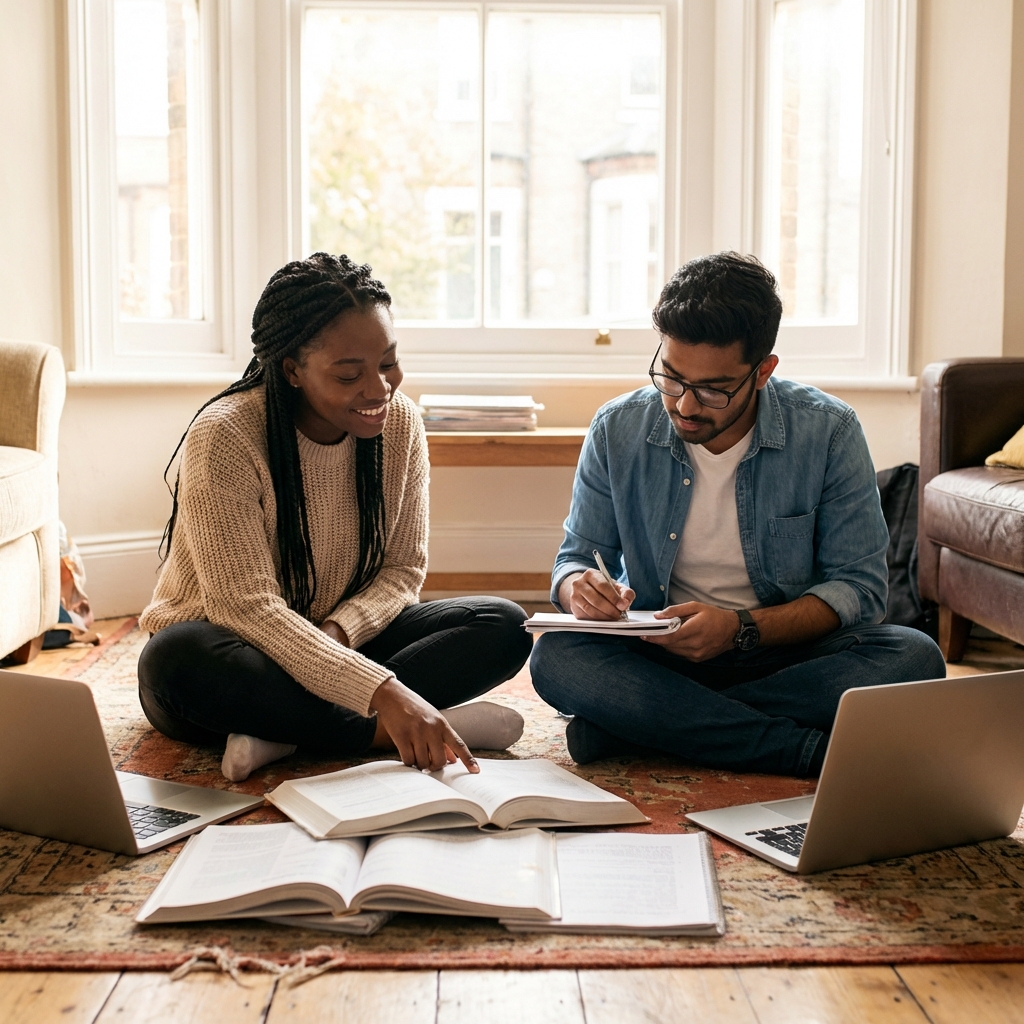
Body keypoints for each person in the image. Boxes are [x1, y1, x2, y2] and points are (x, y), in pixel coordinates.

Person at [530, 252, 945, 777]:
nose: (683, 405)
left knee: (914, 659)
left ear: (764, 371)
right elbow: (573, 559)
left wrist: (740, 629)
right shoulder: (617, 428)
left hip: (783, 652)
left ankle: (641, 724)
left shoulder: (828, 431)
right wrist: (580, 589)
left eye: (712, 390)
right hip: (658, 651)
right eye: (672, 378)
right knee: (556, 657)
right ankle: (798, 750)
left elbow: (860, 589)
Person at [138, 253, 532, 781]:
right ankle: (380, 730)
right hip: (237, 645)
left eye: (388, 362)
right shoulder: (226, 435)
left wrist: (338, 636)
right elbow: (245, 607)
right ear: (293, 371)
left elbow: (402, 573)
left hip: (340, 636)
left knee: (503, 625)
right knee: (173, 659)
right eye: (350, 374)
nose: (379, 389)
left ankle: (280, 735)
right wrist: (383, 692)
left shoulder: (401, 425)